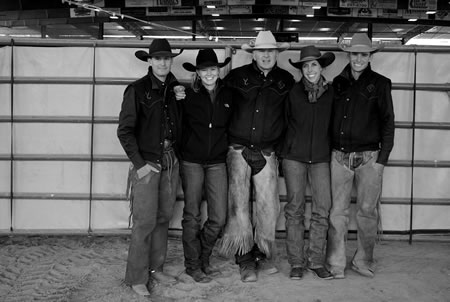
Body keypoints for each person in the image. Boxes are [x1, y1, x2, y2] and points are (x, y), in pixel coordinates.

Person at [218, 31, 295, 282]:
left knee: (268, 207)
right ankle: (244, 259)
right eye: (262, 51)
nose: (266, 55)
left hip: (267, 150)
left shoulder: (286, 81)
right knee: (238, 205)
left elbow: (292, 117)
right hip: (238, 149)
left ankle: (262, 254)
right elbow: (218, 103)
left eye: (271, 51)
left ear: (277, 53)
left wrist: (281, 149)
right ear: (254, 53)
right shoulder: (236, 77)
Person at [117, 39, 183, 297]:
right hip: (147, 163)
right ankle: (136, 276)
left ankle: (156, 268)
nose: (163, 62)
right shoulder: (137, 90)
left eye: (167, 58)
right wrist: (140, 165)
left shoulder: (174, 89)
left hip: (169, 160)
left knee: (164, 216)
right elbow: (124, 131)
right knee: (144, 221)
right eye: (158, 58)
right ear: (150, 61)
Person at [326, 33, 395, 279]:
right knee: (338, 212)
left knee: (367, 211)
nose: (358, 58)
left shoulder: (380, 83)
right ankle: (335, 263)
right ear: (349, 55)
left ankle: (364, 260)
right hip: (339, 155)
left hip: (369, 157)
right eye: (354, 54)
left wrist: (381, 160)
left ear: (369, 56)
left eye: (363, 54)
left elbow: (388, 122)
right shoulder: (338, 83)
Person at [280, 45, 335, 280]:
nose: (310, 69)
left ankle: (316, 260)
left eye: (314, 64)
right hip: (294, 157)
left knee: (322, 209)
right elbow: (282, 122)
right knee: (295, 210)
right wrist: (286, 150)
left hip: (321, 157)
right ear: (301, 69)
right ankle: (296, 262)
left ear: (321, 67)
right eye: (305, 65)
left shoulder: (332, 93)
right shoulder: (292, 92)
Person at [177, 49, 233, 283]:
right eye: (204, 70)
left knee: (218, 216)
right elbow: (177, 124)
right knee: (192, 213)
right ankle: (193, 265)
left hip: (217, 161)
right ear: (197, 73)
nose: (209, 74)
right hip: (191, 160)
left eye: (213, 69)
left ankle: (203, 255)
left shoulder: (229, 95)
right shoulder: (187, 96)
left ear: (218, 71)